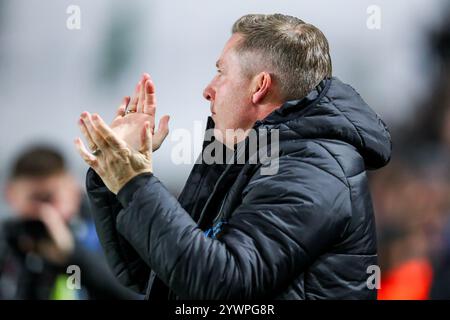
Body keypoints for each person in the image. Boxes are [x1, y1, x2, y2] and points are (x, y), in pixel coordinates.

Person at [75, 14, 392, 299]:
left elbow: (223, 283)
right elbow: (154, 273)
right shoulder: (253, 156)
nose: (208, 89)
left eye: (220, 72)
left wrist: (135, 182)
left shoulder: (313, 169)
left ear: (260, 86)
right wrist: (114, 177)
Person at [0, 146, 138, 299]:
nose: (44, 212)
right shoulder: (7, 243)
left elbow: (133, 293)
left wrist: (72, 255)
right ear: (10, 195)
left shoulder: (108, 230)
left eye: (48, 198)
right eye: (35, 199)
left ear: (73, 191)